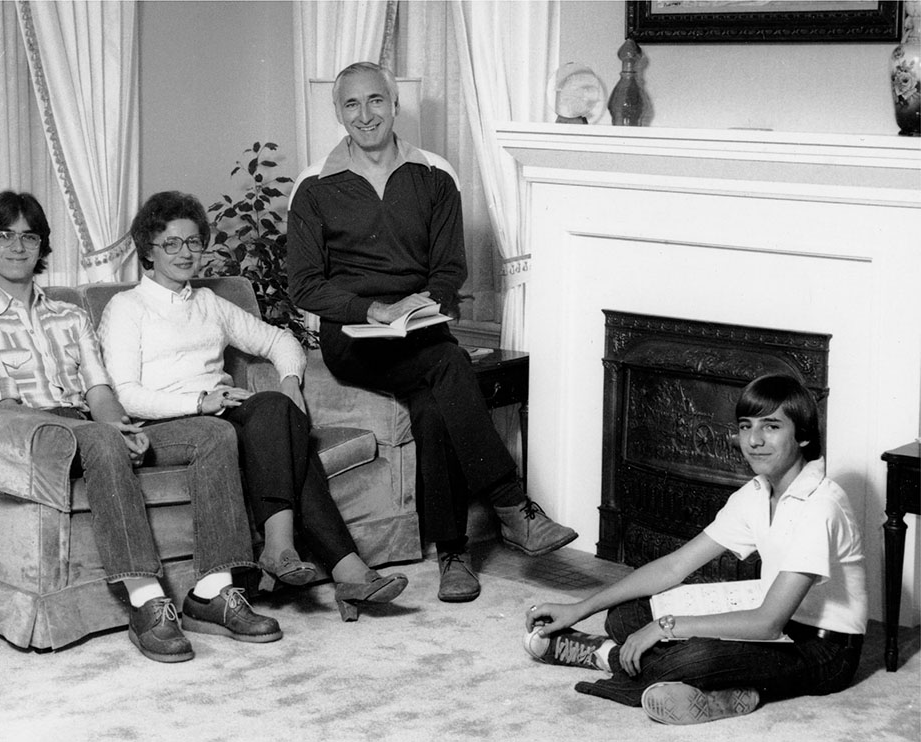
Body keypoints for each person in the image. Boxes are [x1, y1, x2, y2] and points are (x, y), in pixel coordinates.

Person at [287, 61, 578, 603]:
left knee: (433, 403)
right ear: (337, 113)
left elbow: (449, 267)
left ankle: (452, 555)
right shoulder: (314, 186)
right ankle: (512, 505)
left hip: (420, 328)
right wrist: (369, 309)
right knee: (451, 365)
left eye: (376, 100)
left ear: (395, 105)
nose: (366, 114)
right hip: (352, 338)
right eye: (351, 104)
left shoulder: (435, 175)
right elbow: (304, 286)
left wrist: (425, 305)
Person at [0, 191, 279, 664]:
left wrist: (120, 426)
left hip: (92, 425)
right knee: (102, 440)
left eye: (29, 236)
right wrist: (102, 434)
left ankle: (212, 592)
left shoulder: (70, 315)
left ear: (42, 248)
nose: (17, 246)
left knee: (213, 432)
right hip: (31, 435)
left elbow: (100, 392)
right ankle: (145, 600)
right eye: (3, 235)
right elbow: (3, 410)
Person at [97, 190, 408, 622]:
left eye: (193, 242)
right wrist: (199, 402)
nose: (185, 253)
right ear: (148, 250)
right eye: (171, 243)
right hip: (168, 420)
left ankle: (283, 550)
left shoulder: (208, 303)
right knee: (281, 430)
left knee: (276, 408)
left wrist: (289, 383)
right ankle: (344, 568)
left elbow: (281, 341)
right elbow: (125, 393)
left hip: (223, 410)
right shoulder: (126, 308)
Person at [524, 374, 867, 725]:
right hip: (773, 618)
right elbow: (674, 567)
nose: (754, 440)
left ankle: (604, 655)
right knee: (625, 616)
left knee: (693, 657)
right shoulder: (757, 493)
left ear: (804, 435)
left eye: (772, 426)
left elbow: (766, 624)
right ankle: (727, 692)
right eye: (746, 426)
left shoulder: (820, 505)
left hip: (823, 651)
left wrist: (664, 628)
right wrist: (580, 608)